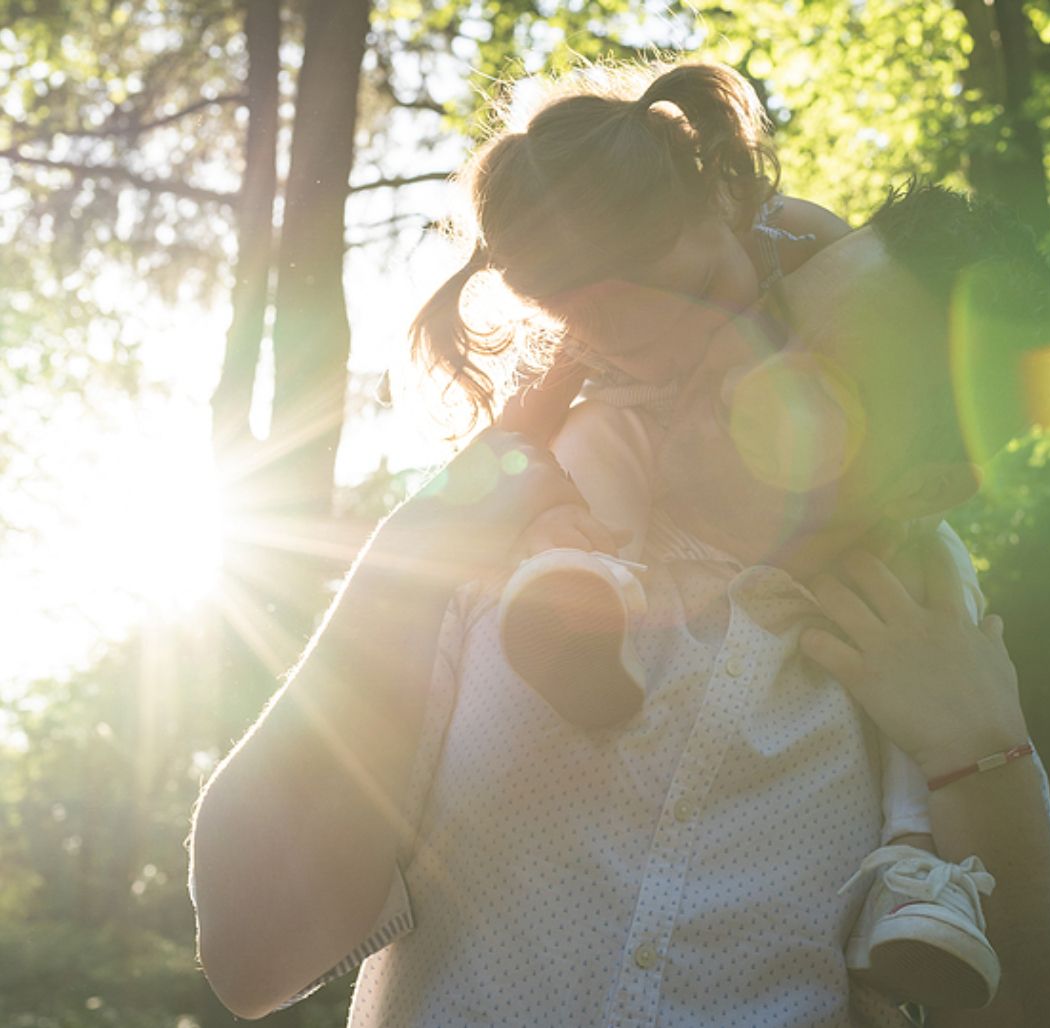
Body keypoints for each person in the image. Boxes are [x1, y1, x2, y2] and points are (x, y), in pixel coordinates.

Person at [189, 184, 1050, 1026]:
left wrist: (984, 764)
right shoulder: (510, 546)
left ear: (922, 489)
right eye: (779, 311)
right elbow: (252, 954)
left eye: (826, 389)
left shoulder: (932, 671)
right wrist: (409, 556)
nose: (742, 369)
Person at [412, 60, 999, 1009]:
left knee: (927, 580)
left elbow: (886, 336)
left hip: (831, 494)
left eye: (683, 284)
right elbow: (524, 451)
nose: (665, 328)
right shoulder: (599, 362)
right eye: (600, 319)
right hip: (646, 485)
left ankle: (916, 871)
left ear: (721, 200)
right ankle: (583, 597)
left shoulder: (793, 232)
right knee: (582, 482)